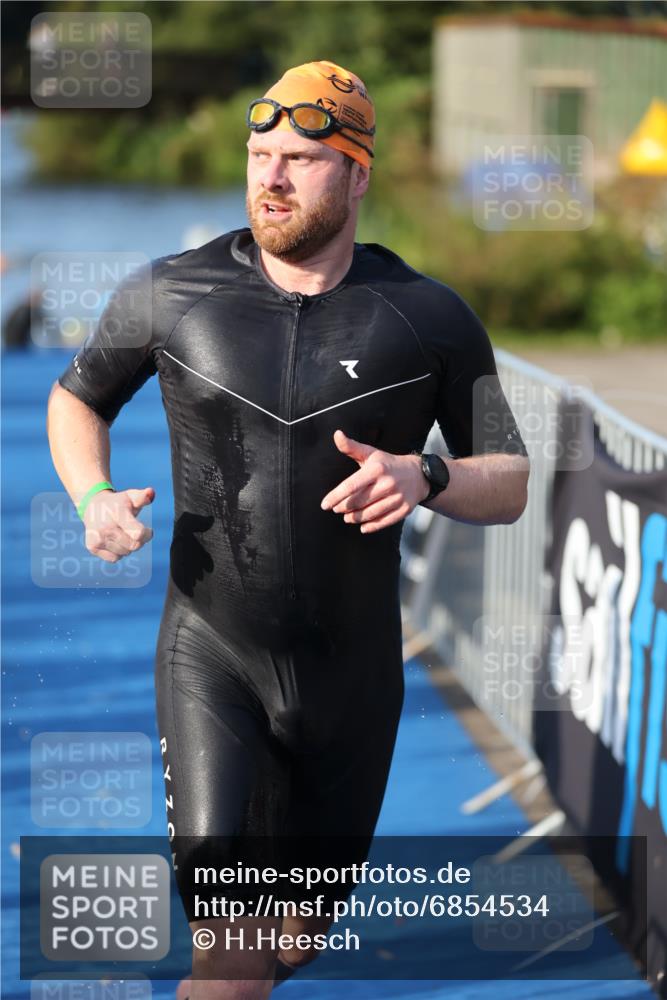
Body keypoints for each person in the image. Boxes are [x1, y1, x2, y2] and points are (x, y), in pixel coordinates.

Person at [47, 60, 530, 1000]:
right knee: (225, 960)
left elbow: (506, 478)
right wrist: (91, 498)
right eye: (259, 154)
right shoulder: (168, 293)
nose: (269, 177)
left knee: (290, 942)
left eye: (301, 158)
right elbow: (75, 398)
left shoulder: (430, 317)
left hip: (350, 679)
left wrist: (423, 474)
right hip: (209, 656)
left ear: (357, 174)